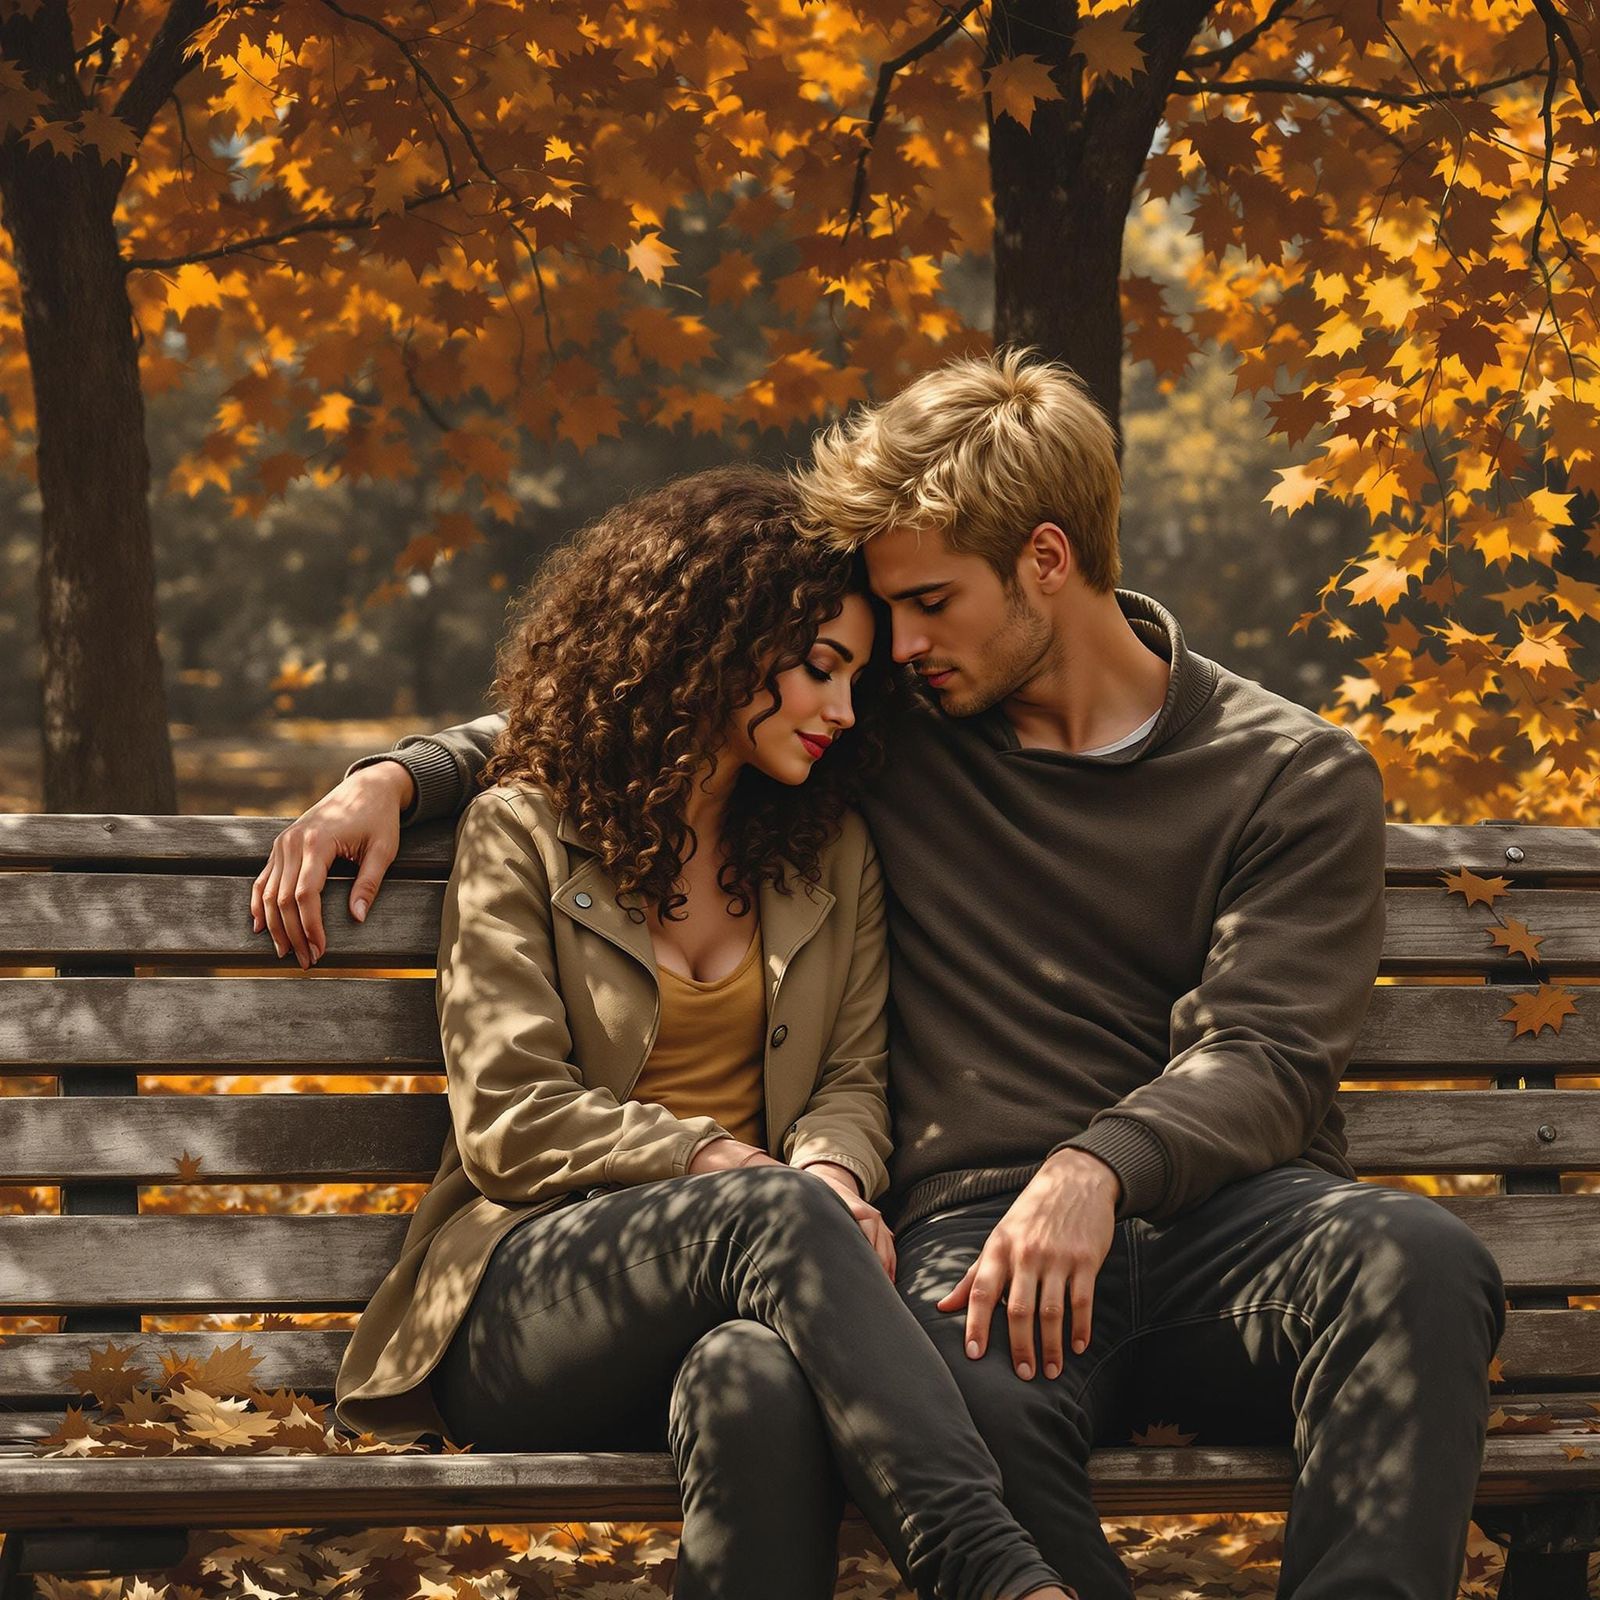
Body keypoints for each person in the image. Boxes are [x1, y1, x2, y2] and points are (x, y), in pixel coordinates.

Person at [259, 353, 1507, 1600]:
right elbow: (649, 693)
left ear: (1047, 560)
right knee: (960, 1397)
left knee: (1418, 1257)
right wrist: (401, 775)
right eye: (881, 618)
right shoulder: (897, 717)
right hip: (967, 1235)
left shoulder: (1292, 772)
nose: (895, 649)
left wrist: (1097, 1167)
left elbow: (1270, 1053)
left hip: (1224, 1224)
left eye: (927, 603)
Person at [312, 466, 1072, 1600]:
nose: (842, 709)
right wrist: (729, 1164)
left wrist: (828, 1167)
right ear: (709, 648)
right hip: (530, 1301)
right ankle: (996, 1573)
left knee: (752, 1379)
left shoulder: (828, 851)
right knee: (768, 1211)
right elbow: (512, 1116)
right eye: (817, 670)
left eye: (856, 678)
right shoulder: (524, 830)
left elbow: (855, 1077)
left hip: (758, 1293)